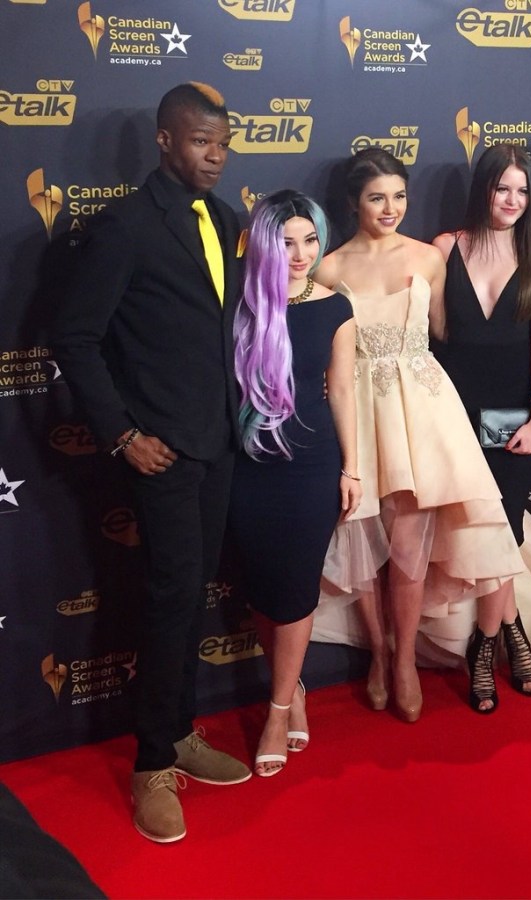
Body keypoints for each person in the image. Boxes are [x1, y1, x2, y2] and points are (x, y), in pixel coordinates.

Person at [52, 83, 250, 843]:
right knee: (171, 598)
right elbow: (75, 338)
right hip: (160, 451)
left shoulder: (224, 219)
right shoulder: (126, 225)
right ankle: (151, 765)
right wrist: (122, 434)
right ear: (165, 140)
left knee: (191, 595)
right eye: (202, 142)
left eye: (223, 144)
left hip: (217, 442)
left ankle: (180, 731)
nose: (216, 156)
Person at [315, 147, 523, 722]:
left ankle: (405, 659)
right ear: (353, 202)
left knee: (408, 549)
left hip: (422, 412)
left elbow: (446, 334)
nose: (391, 208)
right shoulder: (326, 269)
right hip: (357, 411)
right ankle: (379, 654)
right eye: (377, 198)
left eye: (399, 196)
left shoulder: (430, 257)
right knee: (360, 538)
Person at [228, 191, 360, 776]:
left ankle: (278, 710)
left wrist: (352, 467)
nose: (302, 253)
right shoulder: (238, 306)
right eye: (286, 243)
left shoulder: (335, 307)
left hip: (311, 466)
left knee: (297, 588)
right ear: (264, 245)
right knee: (263, 589)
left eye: (310, 240)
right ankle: (295, 686)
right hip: (246, 467)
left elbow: (343, 391)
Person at [432, 143, 531, 713]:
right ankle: (511, 630)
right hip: (452, 414)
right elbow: (434, 334)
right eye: (503, 187)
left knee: (503, 530)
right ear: (484, 188)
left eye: (523, 191)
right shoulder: (444, 249)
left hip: (513, 417)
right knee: (476, 532)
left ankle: (484, 646)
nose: (512, 200)